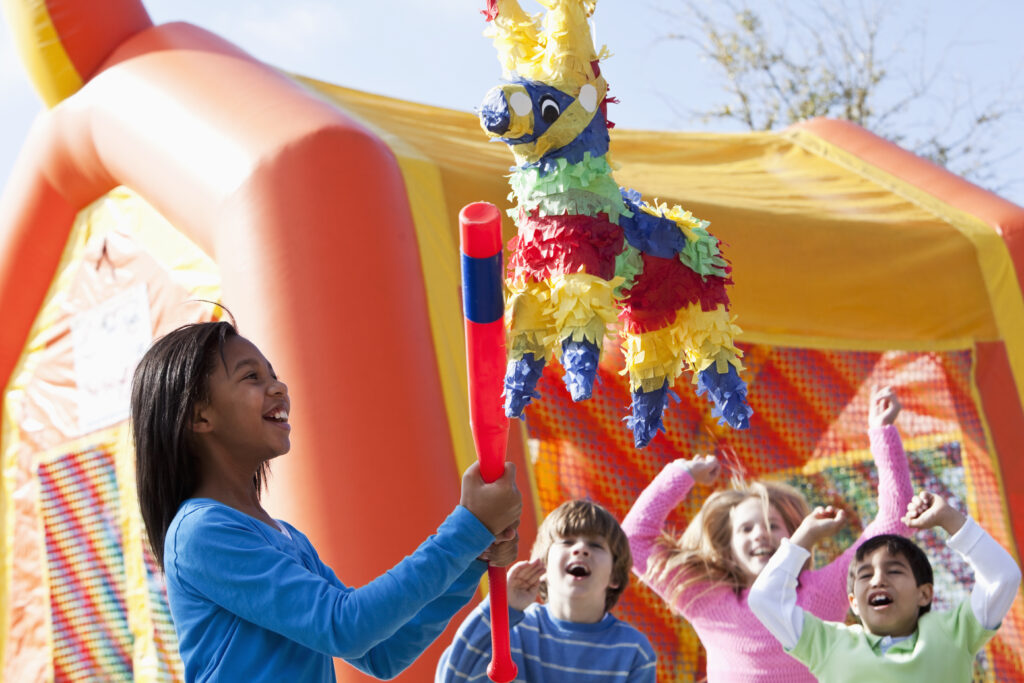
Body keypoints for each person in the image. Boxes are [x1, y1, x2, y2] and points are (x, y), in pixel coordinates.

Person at [131, 320, 522, 682]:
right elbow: (346, 628)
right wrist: (467, 527)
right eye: (252, 376)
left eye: (274, 375)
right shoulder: (201, 532)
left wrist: (473, 557)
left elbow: (382, 652)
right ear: (199, 417)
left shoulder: (286, 536)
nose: (278, 387)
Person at [621, 385, 914, 681]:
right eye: (746, 529)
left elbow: (895, 521)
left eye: (773, 526)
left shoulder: (826, 589)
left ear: (796, 538)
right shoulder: (706, 598)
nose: (761, 534)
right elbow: (632, 540)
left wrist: (882, 432)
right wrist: (681, 473)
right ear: (728, 549)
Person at [749, 490, 1021, 681]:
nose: (878, 579)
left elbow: (1003, 577)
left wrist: (949, 518)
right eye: (865, 576)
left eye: (894, 571)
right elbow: (765, 598)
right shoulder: (828, 643)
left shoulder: (955, 632)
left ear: (924, 593)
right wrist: (805, 536)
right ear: (853, 601)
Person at [435, 499, 657, 682]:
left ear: (615, 577)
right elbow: (452, 677)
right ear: (542, 566)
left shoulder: (633, 649)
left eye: (596, 545)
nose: (580, 549)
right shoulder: (513, 631)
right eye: (567, 542)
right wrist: (502, 608)